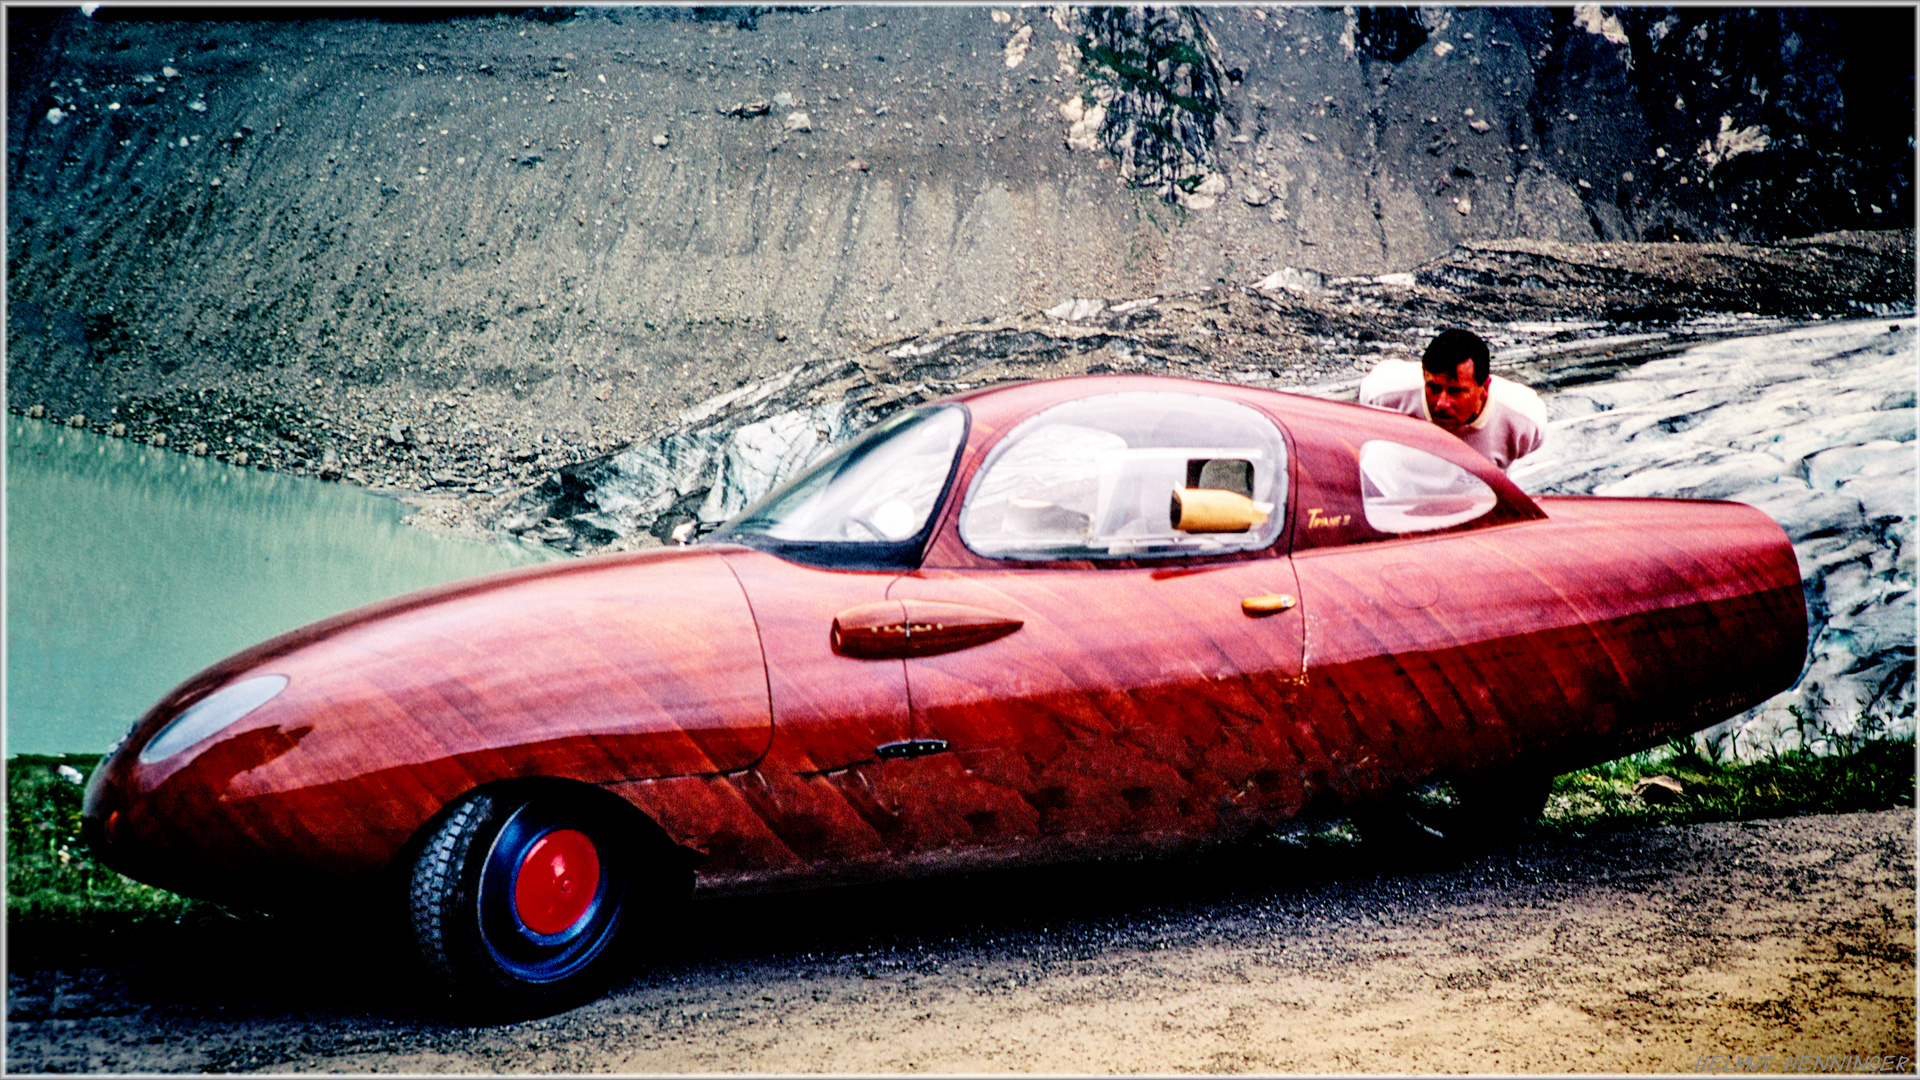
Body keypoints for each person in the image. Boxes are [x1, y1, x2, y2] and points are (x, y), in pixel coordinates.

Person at [1358, 328, 1546, 472]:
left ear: (1485, 388)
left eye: (1455, 391)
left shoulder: (1523, 419)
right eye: (1433, 388)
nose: (1441, 403)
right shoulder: (1386, 393)